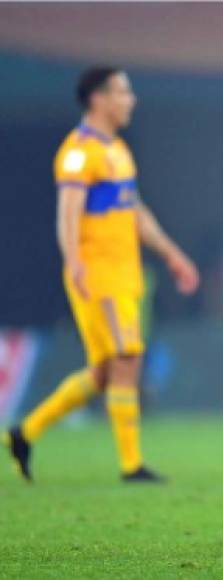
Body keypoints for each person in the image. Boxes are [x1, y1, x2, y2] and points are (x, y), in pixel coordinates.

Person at [3, 66, 199, 482]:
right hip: (99, 274)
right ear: (98, 98)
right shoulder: (78, 151)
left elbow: (136, 212)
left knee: (104, 373)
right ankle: (131, 465)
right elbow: (67, 213)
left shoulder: (119, 151)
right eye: (124, 92)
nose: (131, 100)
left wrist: (172, 254)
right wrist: (74, 261)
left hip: (127, 273)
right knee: (128, 357)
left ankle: (24, 432)